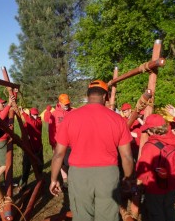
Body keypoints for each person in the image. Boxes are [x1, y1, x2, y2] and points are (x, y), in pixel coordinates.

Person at [49, 80, 134, 221]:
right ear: (106, 96)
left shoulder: (70, 117)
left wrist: (53, 179)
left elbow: (58, 154)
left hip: (79, 174)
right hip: (108, 174)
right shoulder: (118, 119)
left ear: (87, 96)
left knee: (82, 216)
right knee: (108, 216)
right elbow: (127, 156)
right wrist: (129, 178)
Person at [136, 114, 175, 221]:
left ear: (152, 130)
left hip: (156, 186)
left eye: (147, 130)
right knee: (169, 208)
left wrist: (138, 182)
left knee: (156, 211)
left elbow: (142, 170)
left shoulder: (150, 146)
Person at [49, 93, 73, 187]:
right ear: (59, 102)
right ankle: (65, 180)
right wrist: (53, 144)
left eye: (68, 103)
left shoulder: (72, 112)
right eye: (64, 103)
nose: (66, 105)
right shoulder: (54, 114)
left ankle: (72, 179)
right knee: (62, 163)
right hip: (59, 143)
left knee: (71, 162)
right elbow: (51, 130)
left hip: (72, 143)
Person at [19, 107, 44, 189]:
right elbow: (24, 131)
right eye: (33, 115)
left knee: (39, 165)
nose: (35, 116)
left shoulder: (39, 122)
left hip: (37, 148)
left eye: (36, 115)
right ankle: (23, 183)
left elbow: (33, 123)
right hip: (28, 148)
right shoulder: (27, 122)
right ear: (31, 115)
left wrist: (23, 113)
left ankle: (40, 181)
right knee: (26, 166)